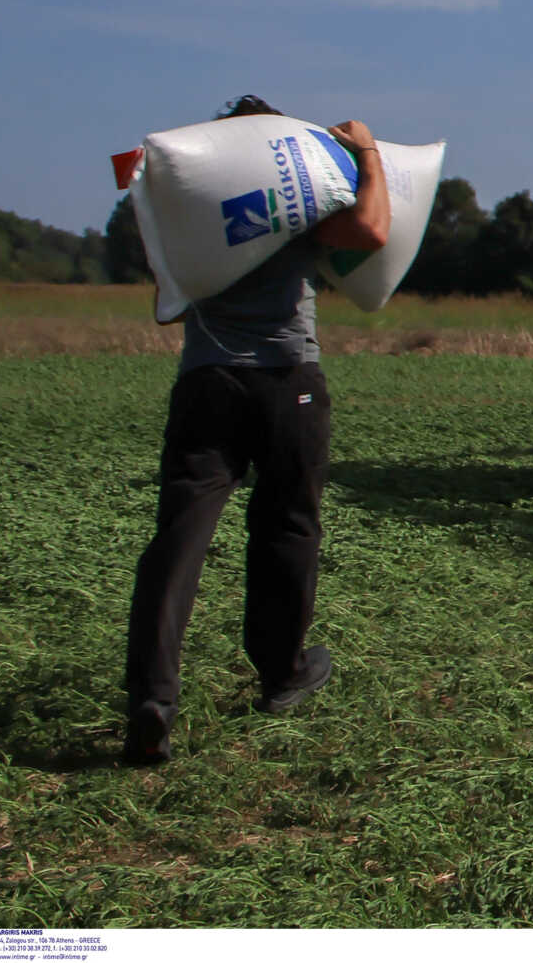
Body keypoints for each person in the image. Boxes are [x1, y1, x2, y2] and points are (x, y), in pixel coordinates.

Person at [123, 95, 390, 764]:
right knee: (287, 525)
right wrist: (369, 153)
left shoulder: (197, 205)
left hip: (205, 382)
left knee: (178, 538)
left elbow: (167, 298)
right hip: (286, 380)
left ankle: (152, 697)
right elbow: (372, 230)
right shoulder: (295, 198)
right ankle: (282, 673)